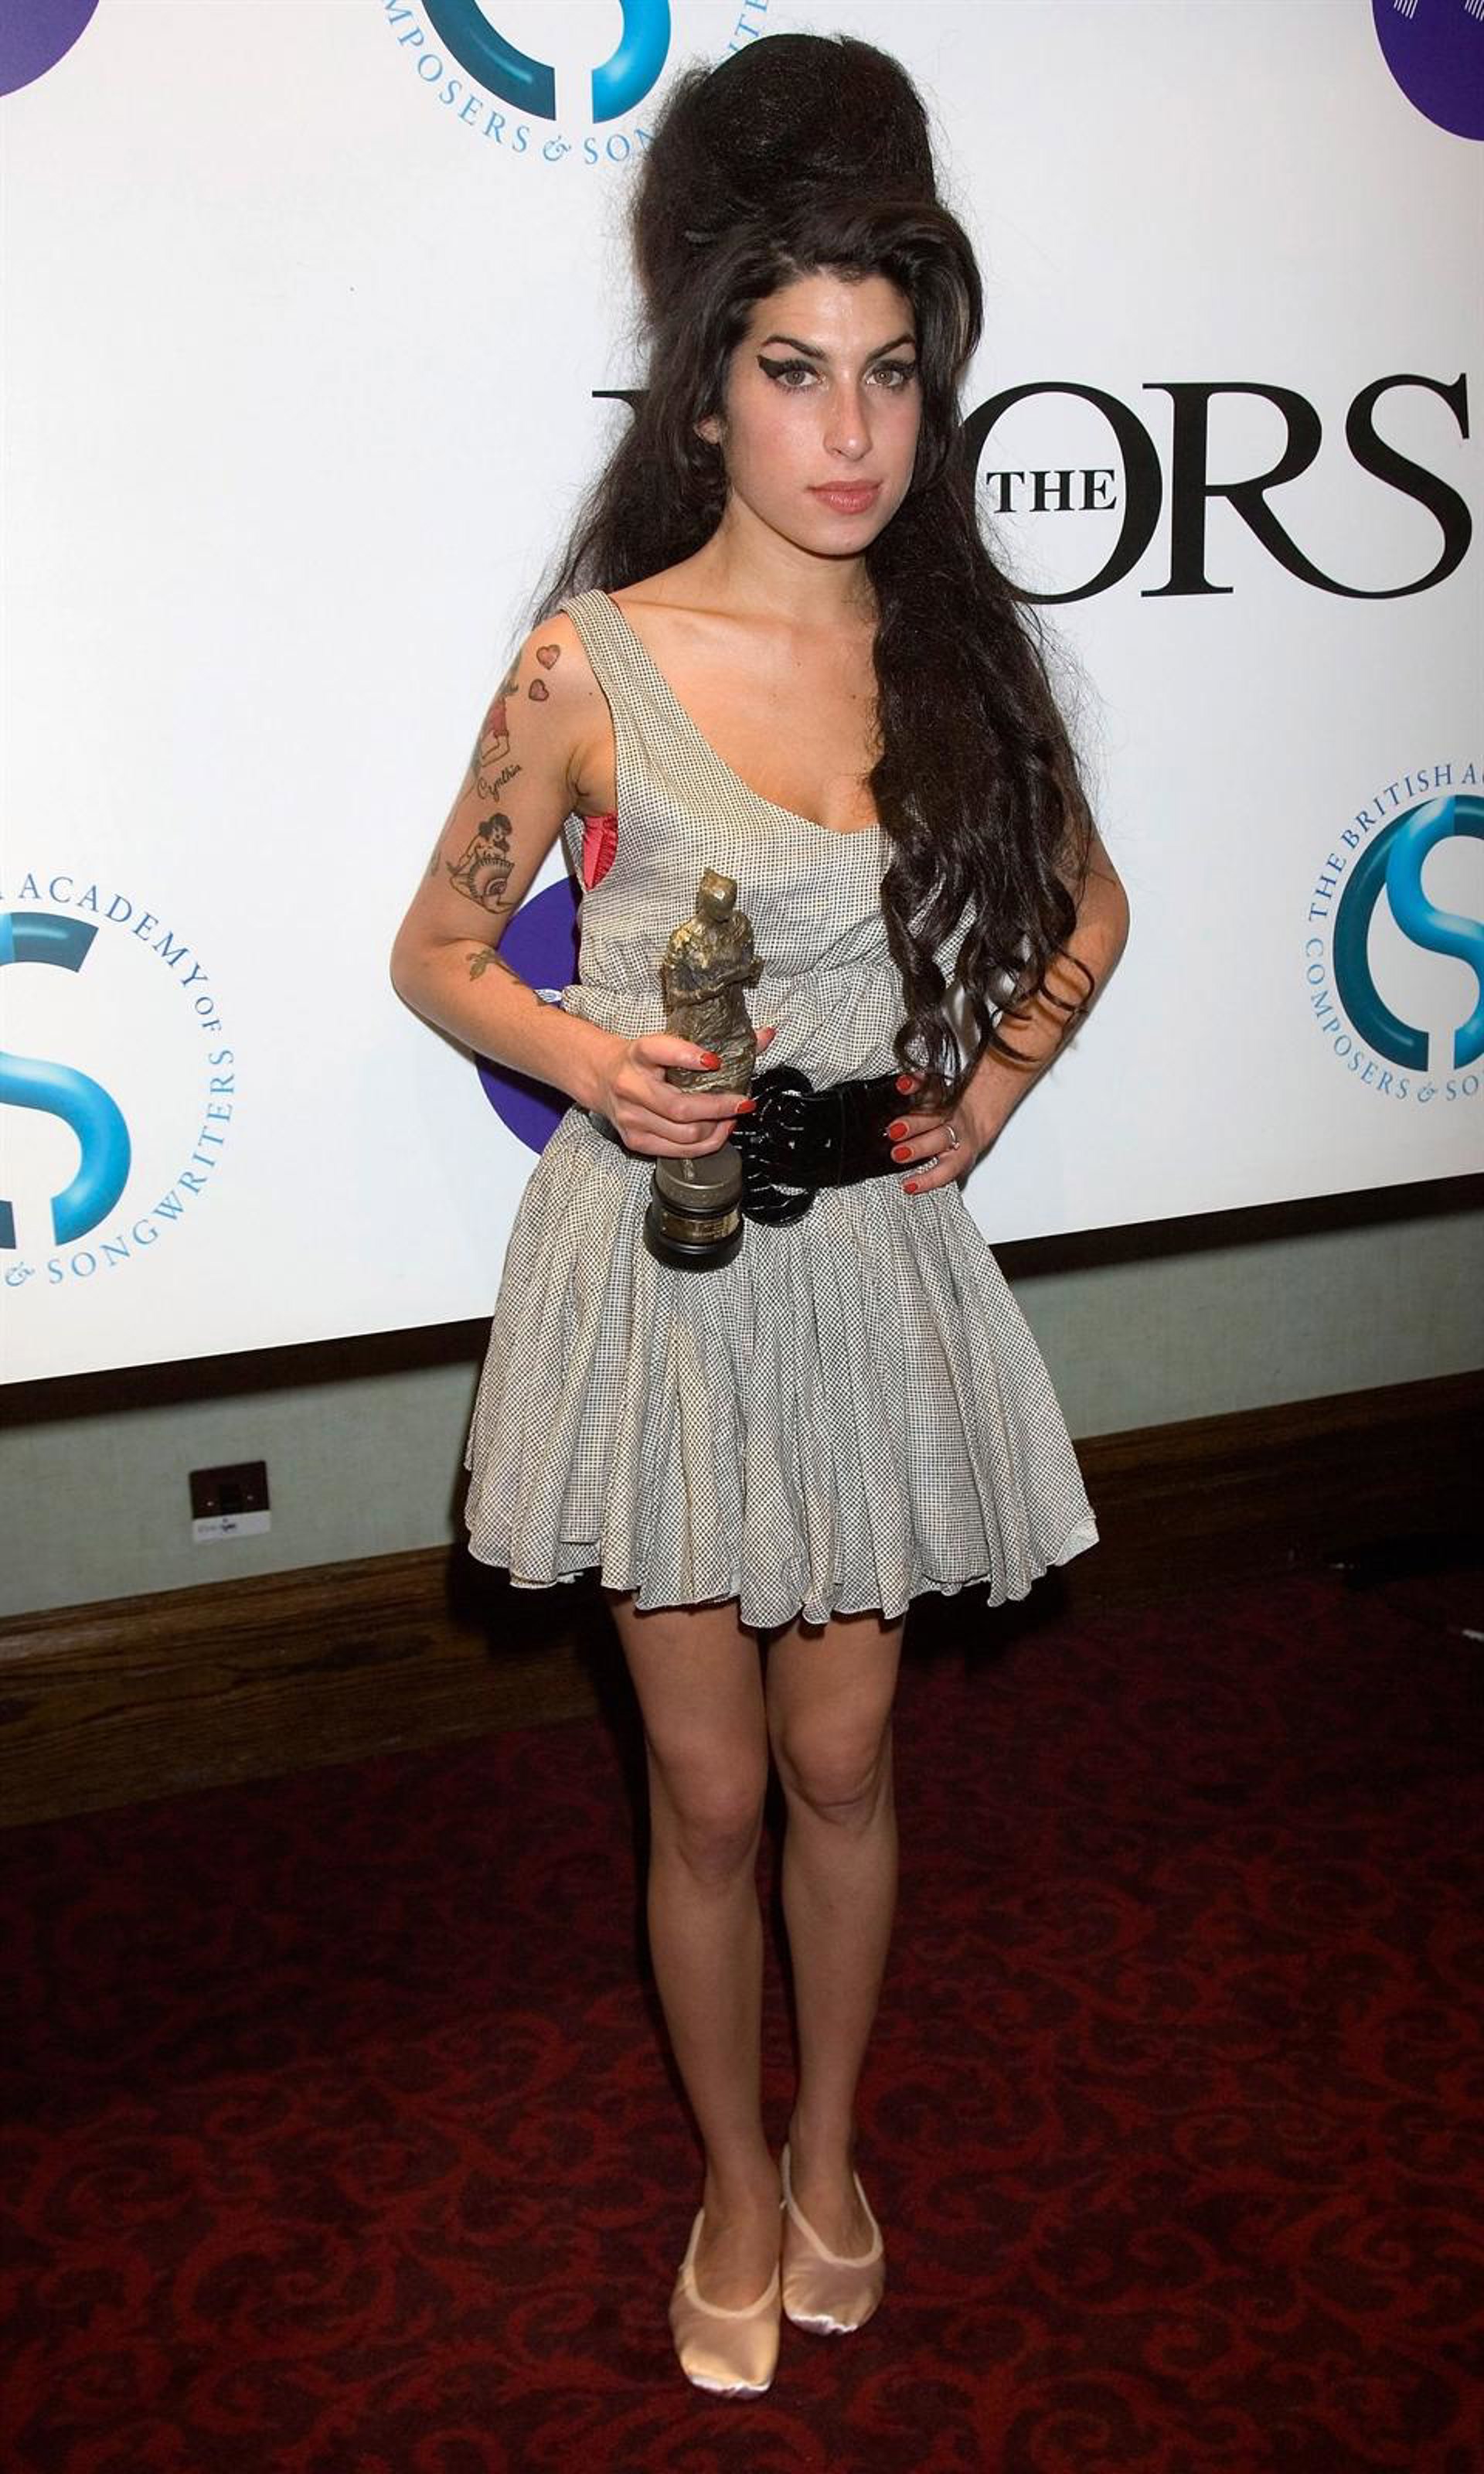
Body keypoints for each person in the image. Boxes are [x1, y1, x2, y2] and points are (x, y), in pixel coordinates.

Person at [390, 30, 1129, 2399]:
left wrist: (983, 1099)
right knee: (707, 1791)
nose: (851, 431)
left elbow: (1094, 910)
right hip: (664, 1275)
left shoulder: (952, 649)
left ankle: (830, 2149)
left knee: (843, 1766)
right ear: (707, 390)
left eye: (891, 373)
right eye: (797, 371)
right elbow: (438, 948)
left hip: (870, 1275)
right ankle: (728, 2175)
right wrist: (585, 1056)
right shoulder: (586, 664)